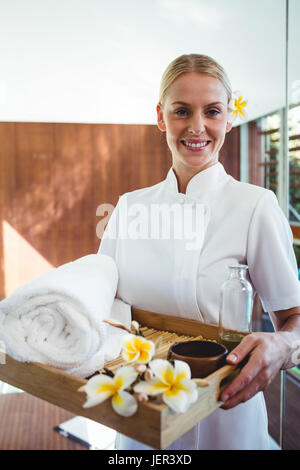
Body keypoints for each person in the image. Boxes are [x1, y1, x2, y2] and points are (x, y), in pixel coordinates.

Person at [98, 54, 300, 450]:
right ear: (161, 117)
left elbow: (294, 316)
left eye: (212, 111)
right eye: (181, 111)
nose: (197, 127)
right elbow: (104, 305)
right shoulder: (129, 207)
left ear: (228, 119)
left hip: (225, 417)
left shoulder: (255, 205)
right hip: (141, 411)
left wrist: (283, 344)